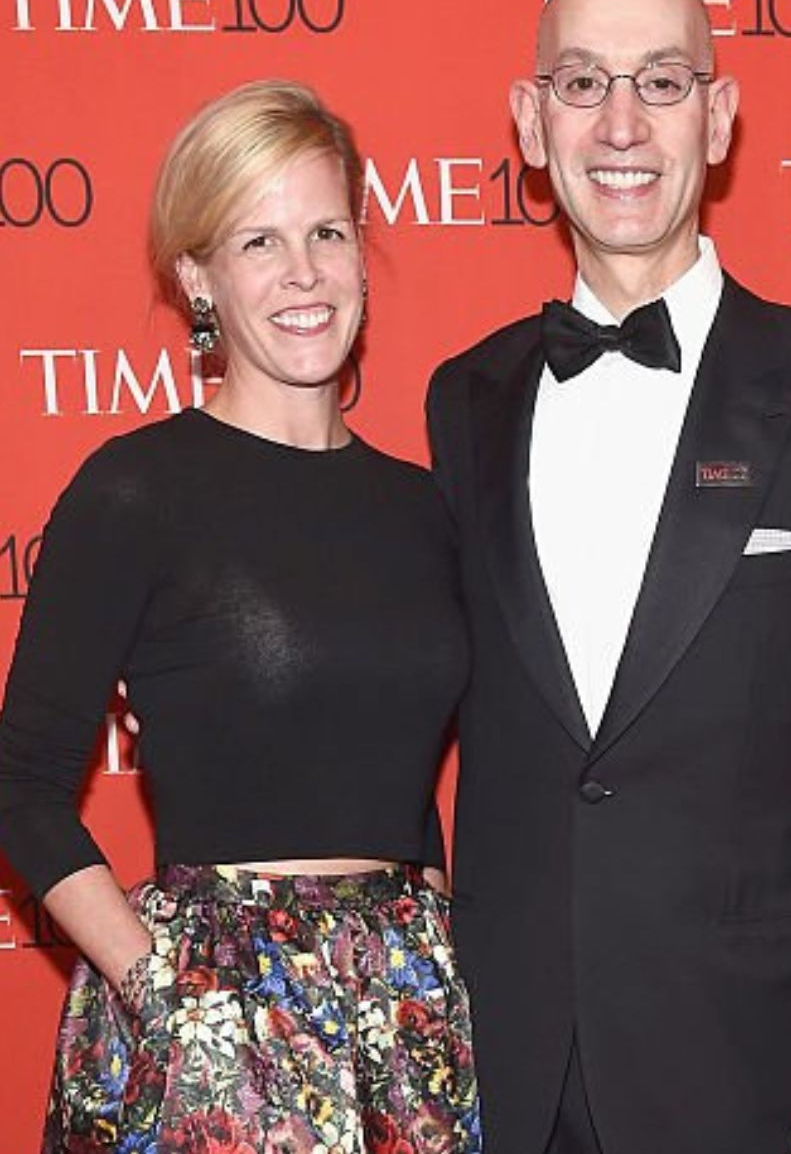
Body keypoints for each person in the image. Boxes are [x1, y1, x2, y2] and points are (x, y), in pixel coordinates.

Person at [426, 0, 791, 1154]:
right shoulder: (464, 399)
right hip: (511, 1055)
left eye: (661, 82)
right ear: (530, 121)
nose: (621, 124)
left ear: (716, 119)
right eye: (582, 83)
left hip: (758, 1064)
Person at [0, 81, 480, 1154]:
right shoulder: (137, 491)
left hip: (409, 1020)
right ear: (197, 277)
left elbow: (406, 780)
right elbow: (18, 782)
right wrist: (162, 992)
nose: (302, 272)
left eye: (326, 231)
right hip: (213, 1017)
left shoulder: (424, 506)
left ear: (362, 252)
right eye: (258, 240)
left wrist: (436, 961)